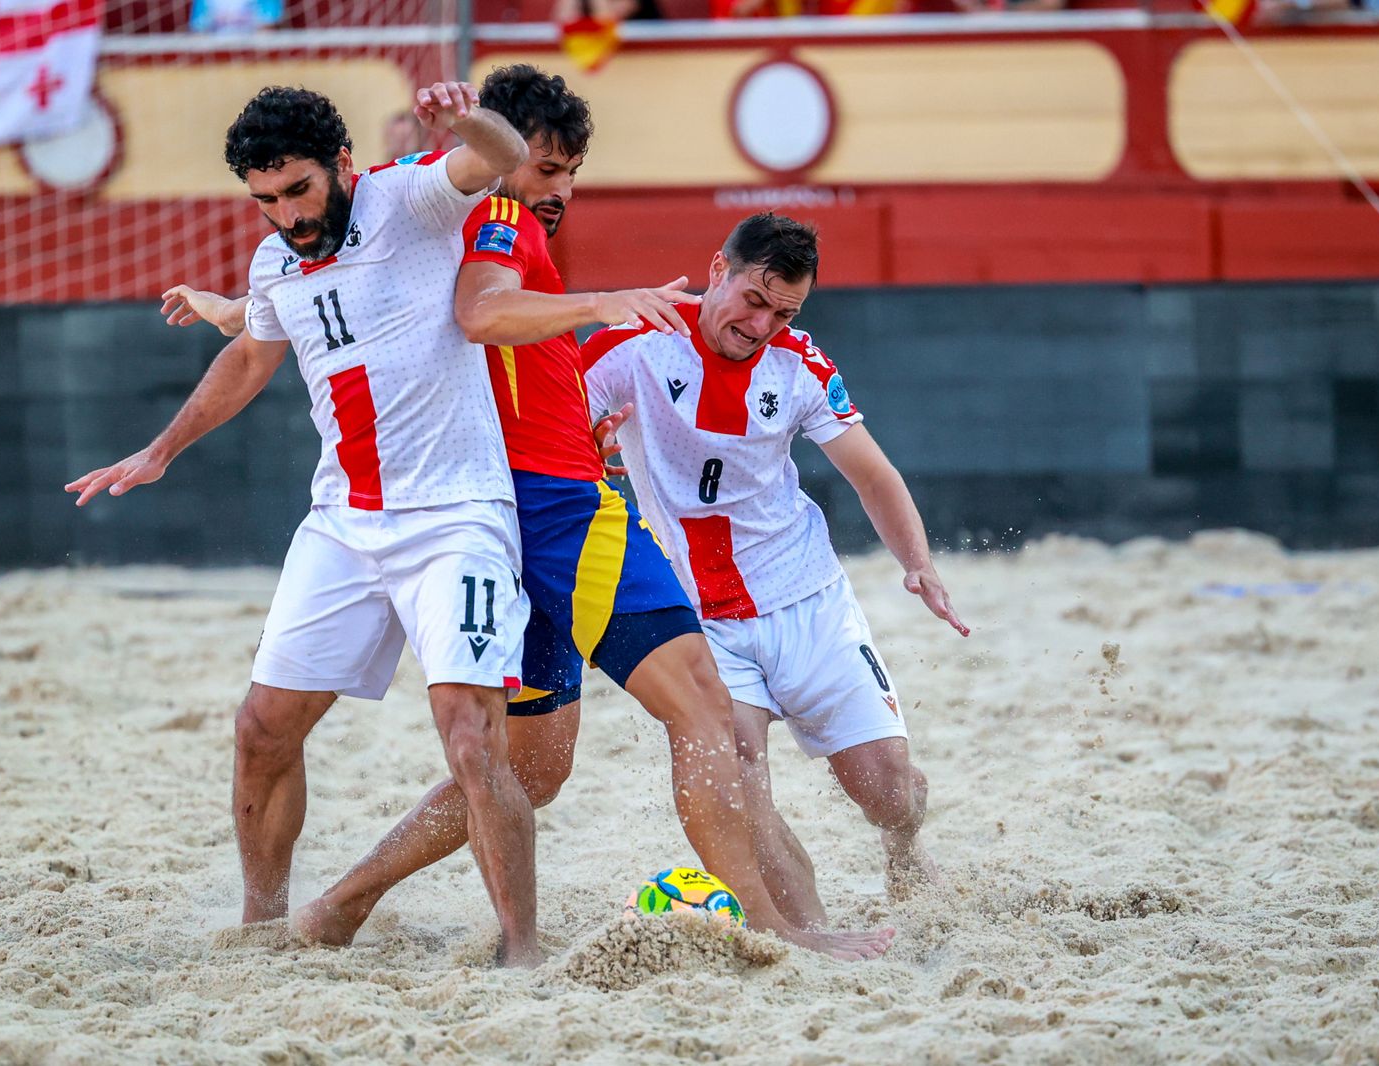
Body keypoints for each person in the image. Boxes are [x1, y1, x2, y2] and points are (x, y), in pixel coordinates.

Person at [161, 65, 894, 962]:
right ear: (502, 158)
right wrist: (599, 304)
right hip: (551, 505)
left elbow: (320, 292)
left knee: (526, 769)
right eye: (547, 167)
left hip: (490, 508)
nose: (560, 191)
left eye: (570, 171)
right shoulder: (493, 213)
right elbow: (482, 311)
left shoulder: (414, 224)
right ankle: (783, 933)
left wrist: (230, 311)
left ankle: (338, 904)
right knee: (701, 710)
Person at [64, 82, 554, 965]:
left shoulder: (411, 198)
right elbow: (250, 353)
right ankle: (263, 928)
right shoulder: (273, 263)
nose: (286, 216)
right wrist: (161, 450)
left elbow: (504, 156)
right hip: (344, 521)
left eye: (297, 191)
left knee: (474, 739)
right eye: (265, 200)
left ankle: (520, 953)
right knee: (260, 729)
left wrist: (462, 119)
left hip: (457, 516)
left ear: (342, 165)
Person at [582, 212, 968, 916]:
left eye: (782, 311)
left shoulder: (801, 365)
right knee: (738, 776)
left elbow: (873, 476)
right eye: (753, 300)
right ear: (716, 270)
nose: (761, 324)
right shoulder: (631, 344)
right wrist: (589, 449)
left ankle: (905, 850)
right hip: (698, 612)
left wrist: (919, 563)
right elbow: (557, 439)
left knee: (890, 794)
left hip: (805, 595)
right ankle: (810, 935)